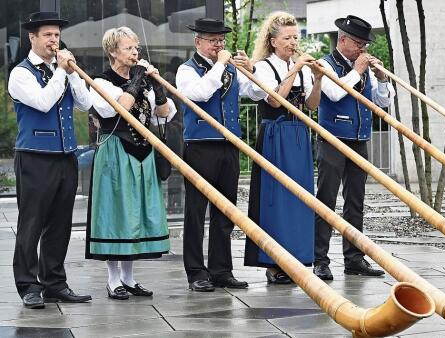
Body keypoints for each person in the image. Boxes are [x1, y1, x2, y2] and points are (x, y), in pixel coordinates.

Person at [8, 11, 93, 309]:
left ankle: (54, 282)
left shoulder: (62, 70)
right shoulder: (20, 73)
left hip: (65, 156)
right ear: (33, 38)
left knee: (61, 223)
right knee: (32, 223)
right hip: (35, 157)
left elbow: (86, 104)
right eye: (47, 35)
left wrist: (72, 73)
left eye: (56, 35)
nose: (53, 40)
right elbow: (44, 103)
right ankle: (28, 285)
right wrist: (61, 71)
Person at [176, 18, 267, 292]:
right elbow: (200, 95)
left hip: (228, 146)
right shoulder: (186, 70)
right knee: (195, 212)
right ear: (198, 42)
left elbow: (260, 93)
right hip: (200, 146)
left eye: (221, 40)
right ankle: (195, 272)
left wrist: (251, 70)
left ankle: (221, 270)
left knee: (225, 212)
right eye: (213, 40)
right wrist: (219, 64)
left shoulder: (228, 68)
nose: (219, 45)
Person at [86, 27, 176, 300]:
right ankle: (113, 280)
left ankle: (129, 278)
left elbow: (164, 115)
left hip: (143, 153)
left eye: (136, 48)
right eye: (128, 48)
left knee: (135, 213)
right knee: (117, 212)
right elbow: (116, 108)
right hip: (116, 151)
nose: (135, 53)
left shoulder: (143, 81)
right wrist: (136, 83)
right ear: (113, 51)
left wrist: (158, 88)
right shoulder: (101, 82)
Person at [243, 11, 323, 284]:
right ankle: (274, 262)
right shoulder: (264, 67)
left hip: (299, 134)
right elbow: (275, 101)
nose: (292, 42)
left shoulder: (299, 67)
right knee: (276, 198)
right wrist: (296, 69)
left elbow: (312, 105)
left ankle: (298, 257)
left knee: (300, 198)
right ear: (274, 41)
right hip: (275, 134)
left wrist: (318, 78)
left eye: (295, 37)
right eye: (287, 38)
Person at [313, 15, 395, 280]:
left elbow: (382, 103)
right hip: (333, 140)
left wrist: (381, 79)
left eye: (364, 45)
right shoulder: (325, 64)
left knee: (355, 202)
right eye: (358, 43)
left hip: (359, 139)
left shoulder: (365, 68)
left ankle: (354, 258)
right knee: (326, 200)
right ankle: (320, 259)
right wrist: (357, 70)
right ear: (343, 40)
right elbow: (334, 93)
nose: (363, 49)